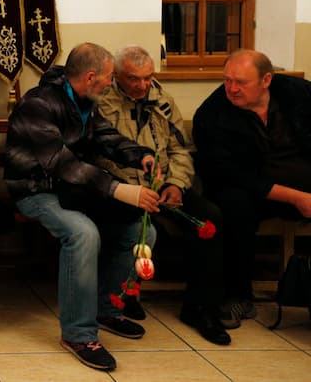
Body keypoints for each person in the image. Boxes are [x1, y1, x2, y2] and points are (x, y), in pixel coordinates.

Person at [5, 42, 159, 372]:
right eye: (107, 78)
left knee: (139, 229)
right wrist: (121, 190)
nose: (111, 83)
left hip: (73, 188)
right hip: (35, 189)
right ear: (90, 77)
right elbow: (64, 166)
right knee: (83, 232)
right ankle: (78, 334)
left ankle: (107, 308)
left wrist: (140, 154)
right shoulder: (38, 105)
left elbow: (106, 138)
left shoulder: (86, 101)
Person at [97, 46, 229, 344]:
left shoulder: (162, 101)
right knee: (131, 225)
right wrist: (134, 189)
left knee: (209, 218)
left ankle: (200, 308)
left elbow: (180, 149)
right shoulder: (102, 102)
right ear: (117, 76)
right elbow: (99, 154)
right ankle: (123, 294)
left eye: (148, 77)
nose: (142, 85)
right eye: (133, 78)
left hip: (164, 185)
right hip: (127, 188)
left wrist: (176, 184)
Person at [192, 49, 311, 325]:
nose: (231, 89)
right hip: (250, 188)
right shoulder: (212, 115)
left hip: (302, 178)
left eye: (241, 82)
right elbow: (233, 174)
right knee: (233, 205)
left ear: (266, 80)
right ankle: (237, 297)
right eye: (227, 81)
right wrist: (298, 198)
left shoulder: (298, 94)